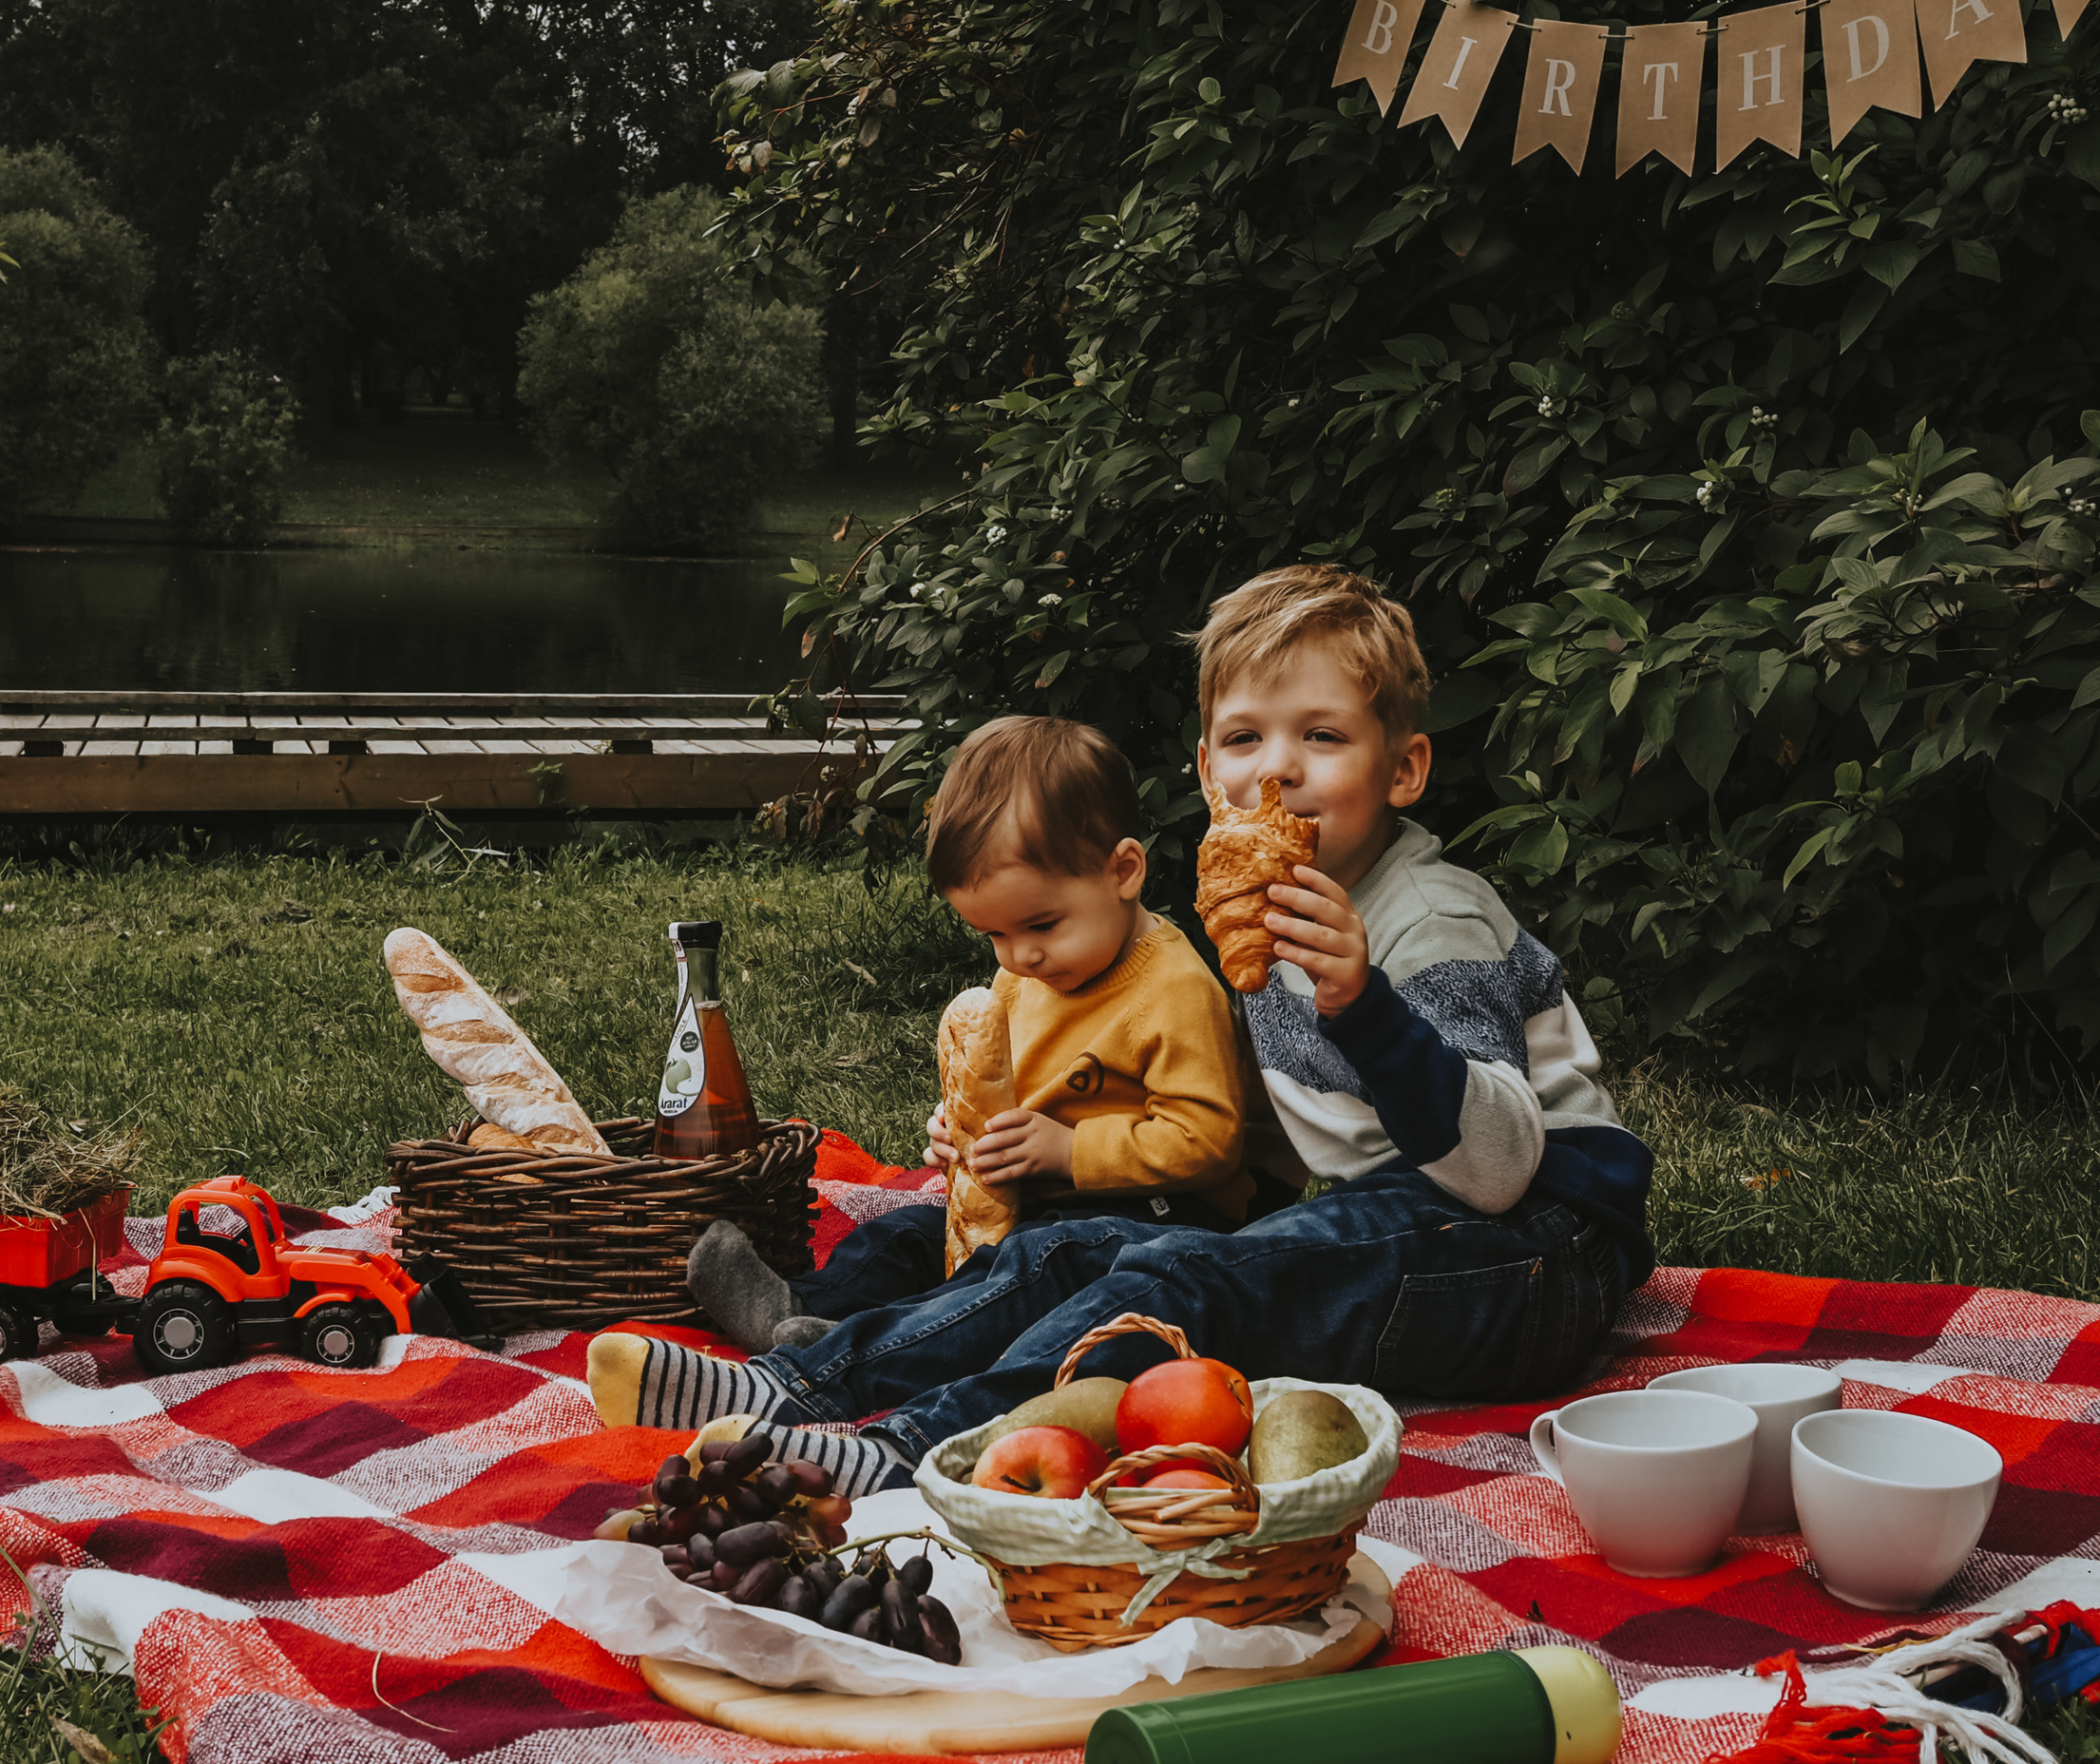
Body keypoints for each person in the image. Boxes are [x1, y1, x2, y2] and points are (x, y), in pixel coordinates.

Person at [587, 565, 1655, 1498]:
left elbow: (1502, 1169)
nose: (1275, 769)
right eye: (1245, 738)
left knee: (1182, 1288)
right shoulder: (1261, 914)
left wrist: (1362, 1003)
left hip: (1539, 1258)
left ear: (1403, 769)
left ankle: (917, 1446)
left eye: (1321, 737)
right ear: (1205, 771)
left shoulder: (1427, 918)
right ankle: (799, 1378)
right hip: (1400, 1226)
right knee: (1071, 1249)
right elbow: (1283, 1134)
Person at [679, 712, 1254, 1353]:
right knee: (908, 1234)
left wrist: (1068, 1151)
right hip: (1037, 1200)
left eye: (1041, 925)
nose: (1018, 957)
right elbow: (1008, 1090)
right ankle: (801, 1308)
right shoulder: (1028, 976)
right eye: (995, 935)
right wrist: (959, 1133)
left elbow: (1209, 1141)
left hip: (1156, 1220)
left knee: (1028, 1268)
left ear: (1123, 872)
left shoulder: (1173, 989)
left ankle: (877, 1348)